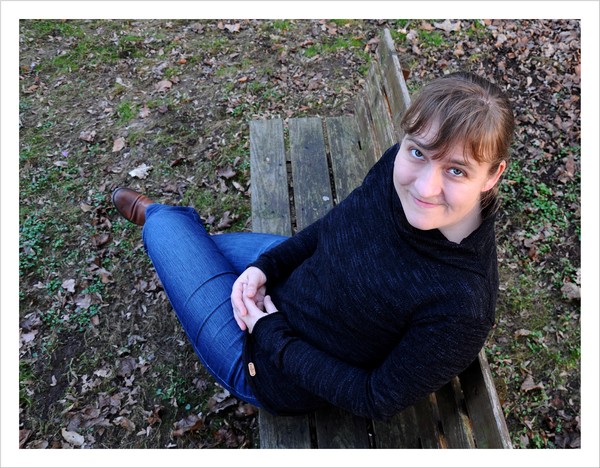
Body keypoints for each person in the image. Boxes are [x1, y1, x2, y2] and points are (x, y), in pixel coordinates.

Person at [112, 71, 514, 420]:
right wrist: (266, 267)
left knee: (167, 232)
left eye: (456, 170)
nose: (425, 187)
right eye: (418, 152)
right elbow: (335, 226)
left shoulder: (462, 305)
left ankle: (161, 219)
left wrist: (268, 331)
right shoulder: (399, 167)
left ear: (493, 175)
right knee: (193, 251)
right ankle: (184, 240)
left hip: (267, 364)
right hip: (297, 278)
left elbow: (374, 398)